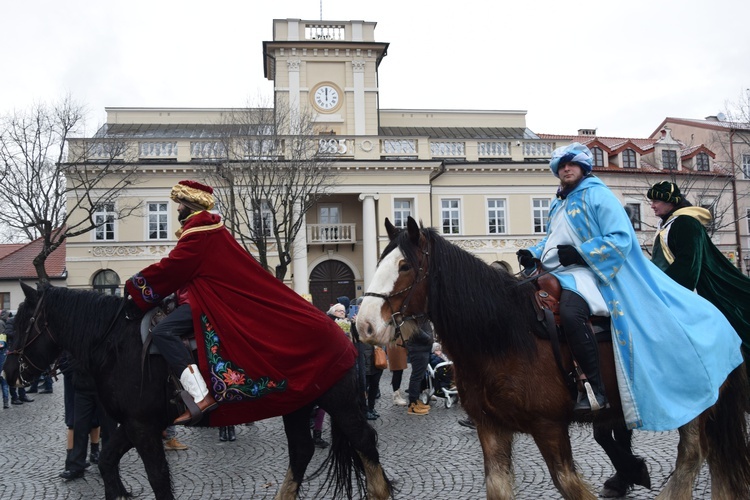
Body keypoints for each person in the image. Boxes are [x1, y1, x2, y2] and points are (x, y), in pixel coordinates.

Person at [517, 143, 742, 430]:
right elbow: (553, 239)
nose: (566, 169)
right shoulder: (558, 201)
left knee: (572, 312)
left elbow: (620, 238)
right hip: (560, 271)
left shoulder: (598, 195)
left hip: (590, 273)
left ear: (583, 167)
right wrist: (532, 252)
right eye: (561, 166)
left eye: (571, 164)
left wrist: (582, 253)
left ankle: (594, 388)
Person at [124, 180, 358, 429]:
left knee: (162, 331)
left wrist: (135, 286)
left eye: (179, 203)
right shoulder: (208, 229)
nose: (177, 208)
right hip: (197, 296)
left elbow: (172, 268)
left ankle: (200, 395)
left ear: (189, 204)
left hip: (205, 303)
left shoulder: (199, 233)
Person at [647, 181, 750, 374]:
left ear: (671, 201)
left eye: (656, 201)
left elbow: (688, 264)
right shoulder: (668, 223)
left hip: (683, 290)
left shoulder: (686, 223)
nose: (652, 205)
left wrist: (665, 292)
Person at [406, 321, 434, 416]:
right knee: (416, 377)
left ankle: (416, 401)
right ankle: (412, 405)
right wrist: (429, 338)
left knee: (419, 376)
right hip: (419, 350)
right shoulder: (414, 316)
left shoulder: (419, 316)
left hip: (421, 349)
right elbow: (415, 330)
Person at [5, 314, 34, 405]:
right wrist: (20, 335)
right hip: (13, 351)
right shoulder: (11, 321)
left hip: (22, 351)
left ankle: (22, 395)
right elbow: (8, 333)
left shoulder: (25, 322)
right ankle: (14, 397)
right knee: (14, 373)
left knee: (22, 373)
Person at [387, 340, 408, 407]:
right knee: (397, 371)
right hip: (395, 346)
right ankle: (396, 395)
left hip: (399, 346)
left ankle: (397, 394)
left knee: (399, 371)